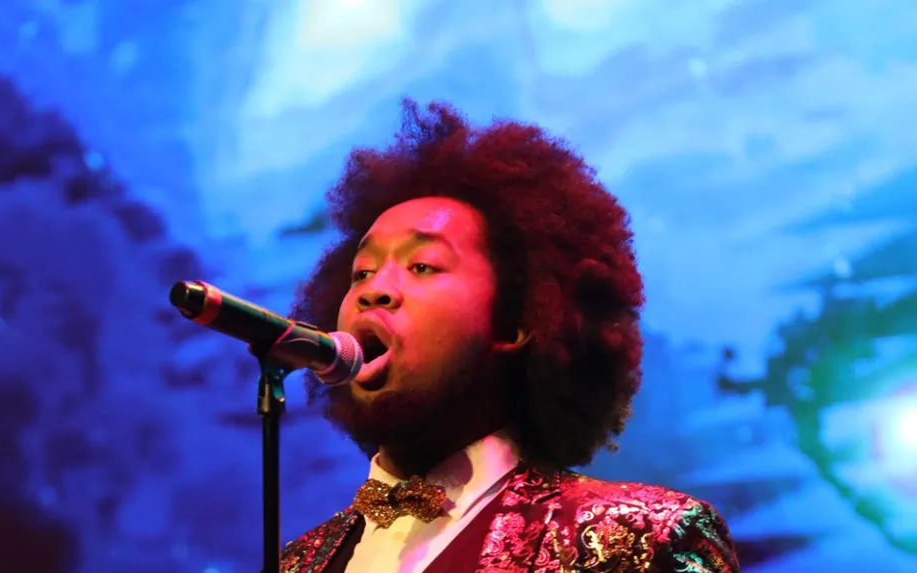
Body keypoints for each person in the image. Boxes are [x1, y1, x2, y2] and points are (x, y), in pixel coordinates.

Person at [281, 100, 740, 572]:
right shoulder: (296, 564)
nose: (375, 290)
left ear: (513, 322)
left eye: (422, 266)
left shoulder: (638, 541)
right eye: (362, 272)